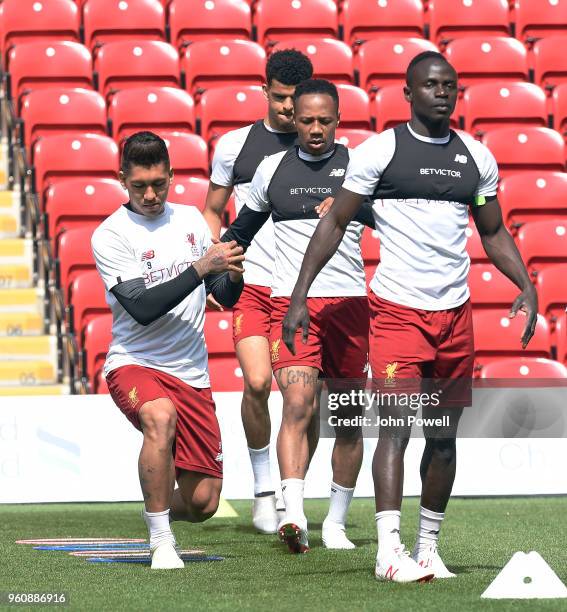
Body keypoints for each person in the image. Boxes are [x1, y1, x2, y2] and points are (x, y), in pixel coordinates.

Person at [282, 52, 538, 581]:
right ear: (408, 91)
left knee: (443, 437)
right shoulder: (379, 152)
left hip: (455, 316)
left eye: (450, 84)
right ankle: (387, 551)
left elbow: (491, 232)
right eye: (431, 84)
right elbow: (334, 224)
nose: (442, 92)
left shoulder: (476, 157)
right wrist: (300, 294)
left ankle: (427, 548)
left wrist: (527, 284)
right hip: (398, 314)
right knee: (395, 430)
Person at [222, 79, 376, 553]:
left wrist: (355, 209)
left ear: (338, 119)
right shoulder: (272, 169)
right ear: (296, 119)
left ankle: (336, 522)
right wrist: (217, 274)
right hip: (295, 306)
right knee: (296, 404)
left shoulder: (360, 166)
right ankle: (293, 513)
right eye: (306, 120)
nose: (314, 128)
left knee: (348, 420)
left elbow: (390, 220)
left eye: (323, 121)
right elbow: (240, 229)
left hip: (350, 305)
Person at [91, 132, 245, 570]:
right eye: (139, 185)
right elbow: (142, 308)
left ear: (172, 175)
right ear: (122, 179)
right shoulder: (111, 235)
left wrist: (230, 272)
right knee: (160, 417)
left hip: (190, 373)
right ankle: (161, 540)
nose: (151, 194)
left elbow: (222, 293)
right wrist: (201, 268)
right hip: (134, 362)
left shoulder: (191, 221)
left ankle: (153, 505)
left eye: (160, 182)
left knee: (203, 502)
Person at [203, 49, 319, 534]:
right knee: (255, 383)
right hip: (252, 284)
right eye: (280, 98)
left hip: (305, 289)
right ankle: (262, 489)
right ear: (265, 89)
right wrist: (216, 265)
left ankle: (293, 500)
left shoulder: (323, 148)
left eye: (297, 100)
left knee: (303, 398)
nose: (290, 109)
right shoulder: (235, 145)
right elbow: (212, 209)